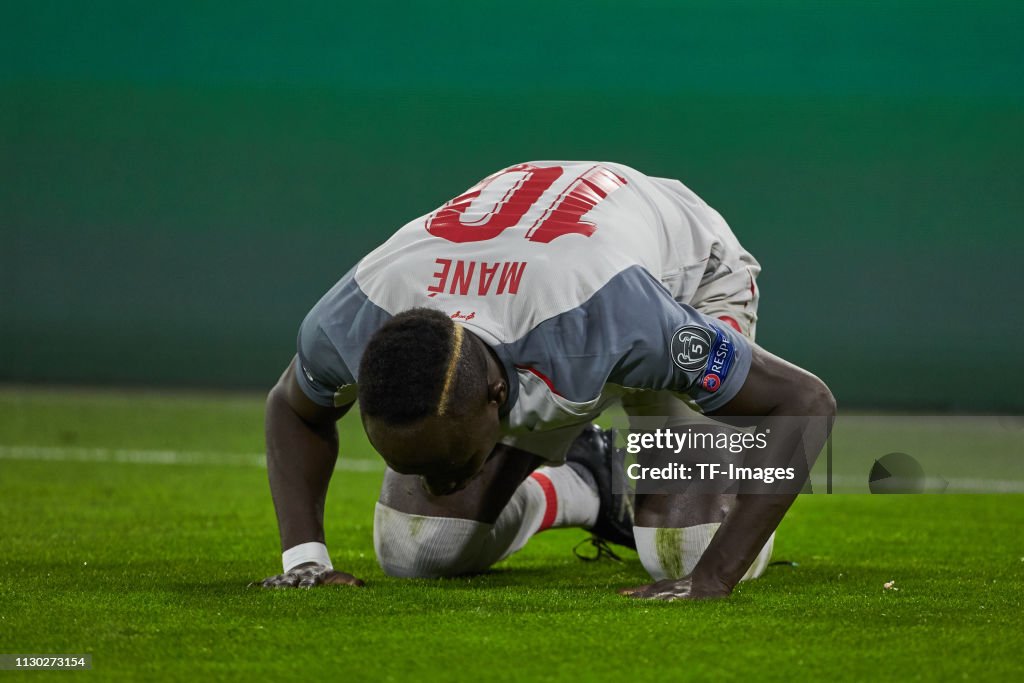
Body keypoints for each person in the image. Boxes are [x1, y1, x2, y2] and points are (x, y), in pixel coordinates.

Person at [259, 161, 835, 599]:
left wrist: (713, 579)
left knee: (685, 553)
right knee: (416, 548)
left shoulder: (619, 322)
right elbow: (292, 409)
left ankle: (643, 469)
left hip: (682, 285)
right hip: (551, 315)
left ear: (498, 396)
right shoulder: (355, 320)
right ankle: (583, 480)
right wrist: (304, 559)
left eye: (447, 464)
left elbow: (804, 402)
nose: (439, 485)